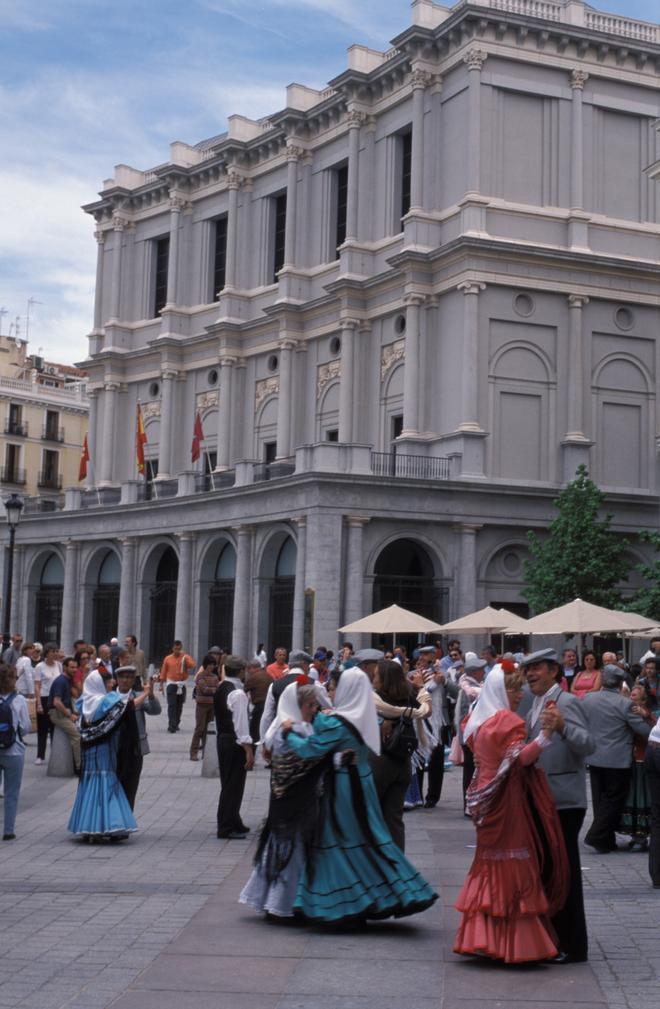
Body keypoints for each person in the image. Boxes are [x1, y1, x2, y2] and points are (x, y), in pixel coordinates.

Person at [281, 668, 438, 923]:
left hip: (343, 788)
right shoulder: (368, 717)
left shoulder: (333, 722)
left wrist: (289, 732)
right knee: (370, 838)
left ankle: (340, 902)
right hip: (363, 783)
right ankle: (390, 893)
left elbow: (310, 750)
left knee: (337, 840)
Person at [454, 664, 569, 964]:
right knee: (514, 862)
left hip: (483, 800)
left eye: (520, 688)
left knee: (488, 864)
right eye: (514, 688)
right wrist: (546, 735)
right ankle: (513, 944)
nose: (520, 694)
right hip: (506, 801)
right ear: (499, 691)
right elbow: (521, 759)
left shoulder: (478, 719)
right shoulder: (506, 720)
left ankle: (483, 937)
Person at [523, 648, 594, 963]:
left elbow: (589, 745)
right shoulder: (533, 703)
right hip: (541, 797)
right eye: (527, 670)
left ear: (553, 670)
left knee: (565, 872)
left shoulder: (568, 702)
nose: (529, 675)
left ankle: (574, 945)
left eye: (535, 668)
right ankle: (553, 936)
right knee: (549, 870)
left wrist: (564, 726)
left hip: (564, 800)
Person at [239, 680, 328, 917]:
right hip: (291, 801)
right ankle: (280, 903)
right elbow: (305, 759)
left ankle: (286, 901)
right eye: (310, 705)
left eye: (315, 705)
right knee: (288, 850)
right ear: (298, 706)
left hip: (302, 800)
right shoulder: (287, 731)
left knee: (295, 850)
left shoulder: (304, 727)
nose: (314, 709)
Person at [582, 664, 652, 853]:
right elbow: (644, 731)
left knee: (599, 800)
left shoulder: (588, 699)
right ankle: (596, 835)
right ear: (620, 682)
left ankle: (605, 841)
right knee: (613, 799)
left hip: (594, 756)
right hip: (617, 759)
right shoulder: (625, 703)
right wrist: (648, 718)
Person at [67, 670, 138, 841]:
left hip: (88, 750)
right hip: (105, 749)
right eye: (105, 680)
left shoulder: (83, 702)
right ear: (98, 683)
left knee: (90, 784)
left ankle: (88, 827)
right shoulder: (109, 700)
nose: (110, 683)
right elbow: (126, 708)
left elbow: (80, 726)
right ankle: (105, 825)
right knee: (105, 784)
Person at [370, 659, 430, 851]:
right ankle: (397, 867)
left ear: (385, 679)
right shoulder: (409, 698)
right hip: (403, 763)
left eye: (377, 675)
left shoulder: (375, 699)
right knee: (394, 819)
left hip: (380, 762)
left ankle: (377, 865)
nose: (373, 678)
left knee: (373, 817)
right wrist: (420, 687)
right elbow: (426, 709)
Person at [214, 655, 254, 839]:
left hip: (222, 739)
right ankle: (226, 826)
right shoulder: (238, 694)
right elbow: (241, 724)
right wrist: (248, 749)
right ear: (240, 671)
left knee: (228, 782)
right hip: (234, 742)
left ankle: (233, 819)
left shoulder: (222, 687)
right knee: (233, 785)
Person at [114, 665, 161, 809]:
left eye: (129, 677)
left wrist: (151, 694)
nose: (126, 680)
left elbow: (155, 711)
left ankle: (126, 822)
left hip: (135, 748)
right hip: (114, 748)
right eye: (123, 677)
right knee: (114, 785)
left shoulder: (137, 695)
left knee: (131, 786)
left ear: (134, 680)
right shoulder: (110, 697)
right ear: (117, 679)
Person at [619, 682, 656, 850]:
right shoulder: (628, 710)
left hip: (642, 760)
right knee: (632, 798)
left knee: (642, 798)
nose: (631, 697)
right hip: (631, 760)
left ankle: (642, 835)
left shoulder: (648, 713)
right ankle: (635, 834)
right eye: (631, 694)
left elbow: (655, 730)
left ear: (643, 698)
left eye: (634, 695)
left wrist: (646, 715)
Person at [0, 664, 32, 840]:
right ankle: (8, 831)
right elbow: (26, 727)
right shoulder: (19, 700)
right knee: (11, 793)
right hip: (14, 751)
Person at [47, 656, 82, 774]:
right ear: (65, 667)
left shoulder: (67, 680)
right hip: (58, 714)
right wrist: (69, 715)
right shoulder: (61, 681)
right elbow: (56, 702)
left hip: (63, 712)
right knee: (77, 736)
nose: (74, 670)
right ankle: (79, 767)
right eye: (72, 667)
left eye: (76, 668)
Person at [33, 642, 61, 765]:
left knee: (55, 728)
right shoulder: (40, 666)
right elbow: (37, 685)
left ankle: (55, 755)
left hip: (56, 698)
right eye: (53, 651)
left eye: (56, 651)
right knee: (43, 728)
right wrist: (38, 703)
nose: (55, 654)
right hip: (44, 698)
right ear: (47, 653)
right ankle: (40, 755)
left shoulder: (59, 666)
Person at [159, 640, 195, 733]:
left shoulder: (185, 657)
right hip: (171, 684)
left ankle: (176, 723)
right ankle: (172, 725)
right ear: (172, 649)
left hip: (181, 684)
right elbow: (163, 671)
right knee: (172, 705)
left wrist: (186, 658)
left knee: (179, 705)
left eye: (179, 649)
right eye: (176, 649)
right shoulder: (167, 659)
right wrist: (161, 685)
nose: (177, 651)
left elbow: (193, 665)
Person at [190, 654, 221, 761]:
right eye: (210, 664)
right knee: (199, 729)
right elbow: (204, 689)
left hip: (212, 705)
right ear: (206, 665)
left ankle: (206, 752)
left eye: (213, 665)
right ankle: (193, 752)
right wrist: (213, 689)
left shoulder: (215, 677)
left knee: (208, 730)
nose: (212, 667)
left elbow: (217, 690)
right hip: (202, 705)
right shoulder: (200, 676)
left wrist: (212, 689)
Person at [244, 658, 271, 751]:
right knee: (268, 732)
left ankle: (250, 756)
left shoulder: (253, 677)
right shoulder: (268, 676)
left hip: (259, 707)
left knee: (254, 732)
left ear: (252, 668)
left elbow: (243, 690)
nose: (248, 672)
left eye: (248, 670)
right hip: (269, 707)